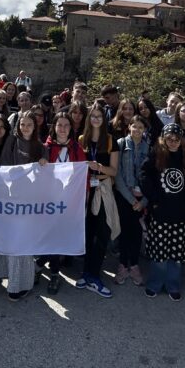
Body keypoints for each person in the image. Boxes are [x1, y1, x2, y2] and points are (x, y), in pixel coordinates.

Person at [0, 110, 43, 300]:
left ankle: (25, 282)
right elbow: (4, 165)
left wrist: (43, 163)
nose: (25, 128)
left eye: (29, 124)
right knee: (12, 240)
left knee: (25, 243)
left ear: (34, 126)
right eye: (22, 124)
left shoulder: (39, 146)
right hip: (12, 198)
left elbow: (44, 173)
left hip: (30, 202)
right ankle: (12, 280)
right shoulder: (11, 142)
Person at [142, 123, 185, 300]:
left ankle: (173, 285)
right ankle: (155, 283)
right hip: (161, 211)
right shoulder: (156, 155)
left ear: (181, 140)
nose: (173, 142)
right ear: (163, 139)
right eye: (169, 139)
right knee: (159, 252)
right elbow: (144, 175)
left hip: (180, 213)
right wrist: (154, 199)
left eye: (176, 139)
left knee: (176, 253)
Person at [39, 112, 86, 294]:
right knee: (50, 236)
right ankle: (48, 268)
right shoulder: (46, 147)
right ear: (54, 127)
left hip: (68, 201)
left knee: (59, 237)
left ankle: (51, 271)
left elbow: (83, 175)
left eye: (66, 125)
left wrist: (83, 197)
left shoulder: (77, 148)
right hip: (49, 201)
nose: (63, 128)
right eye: (60, 125)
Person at [77, 105, 119, 298]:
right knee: (87, 233)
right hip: (85, 190)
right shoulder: (81, 140)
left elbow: (114, 171)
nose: (95, 119)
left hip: (102, 189)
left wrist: (98, 166)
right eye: (92, 116)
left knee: (102, 232)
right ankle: (87, 273)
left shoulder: (111, 141)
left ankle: (94, 275)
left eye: (99, 116)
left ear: (104, 118)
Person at [115, 115, 152, 286]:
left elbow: (153, 176)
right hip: (125, 197)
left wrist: (143, 201)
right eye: (134, 126)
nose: (137, 130)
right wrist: (131, 199)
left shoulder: (150, 147)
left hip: (141, 198)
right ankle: (123, 264)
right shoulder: (121, 144)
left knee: (137, 232)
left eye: (141, 127)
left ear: (144, 130)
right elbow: (118, 175)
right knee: (124, 231)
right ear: (129, 127)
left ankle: (135, 265)